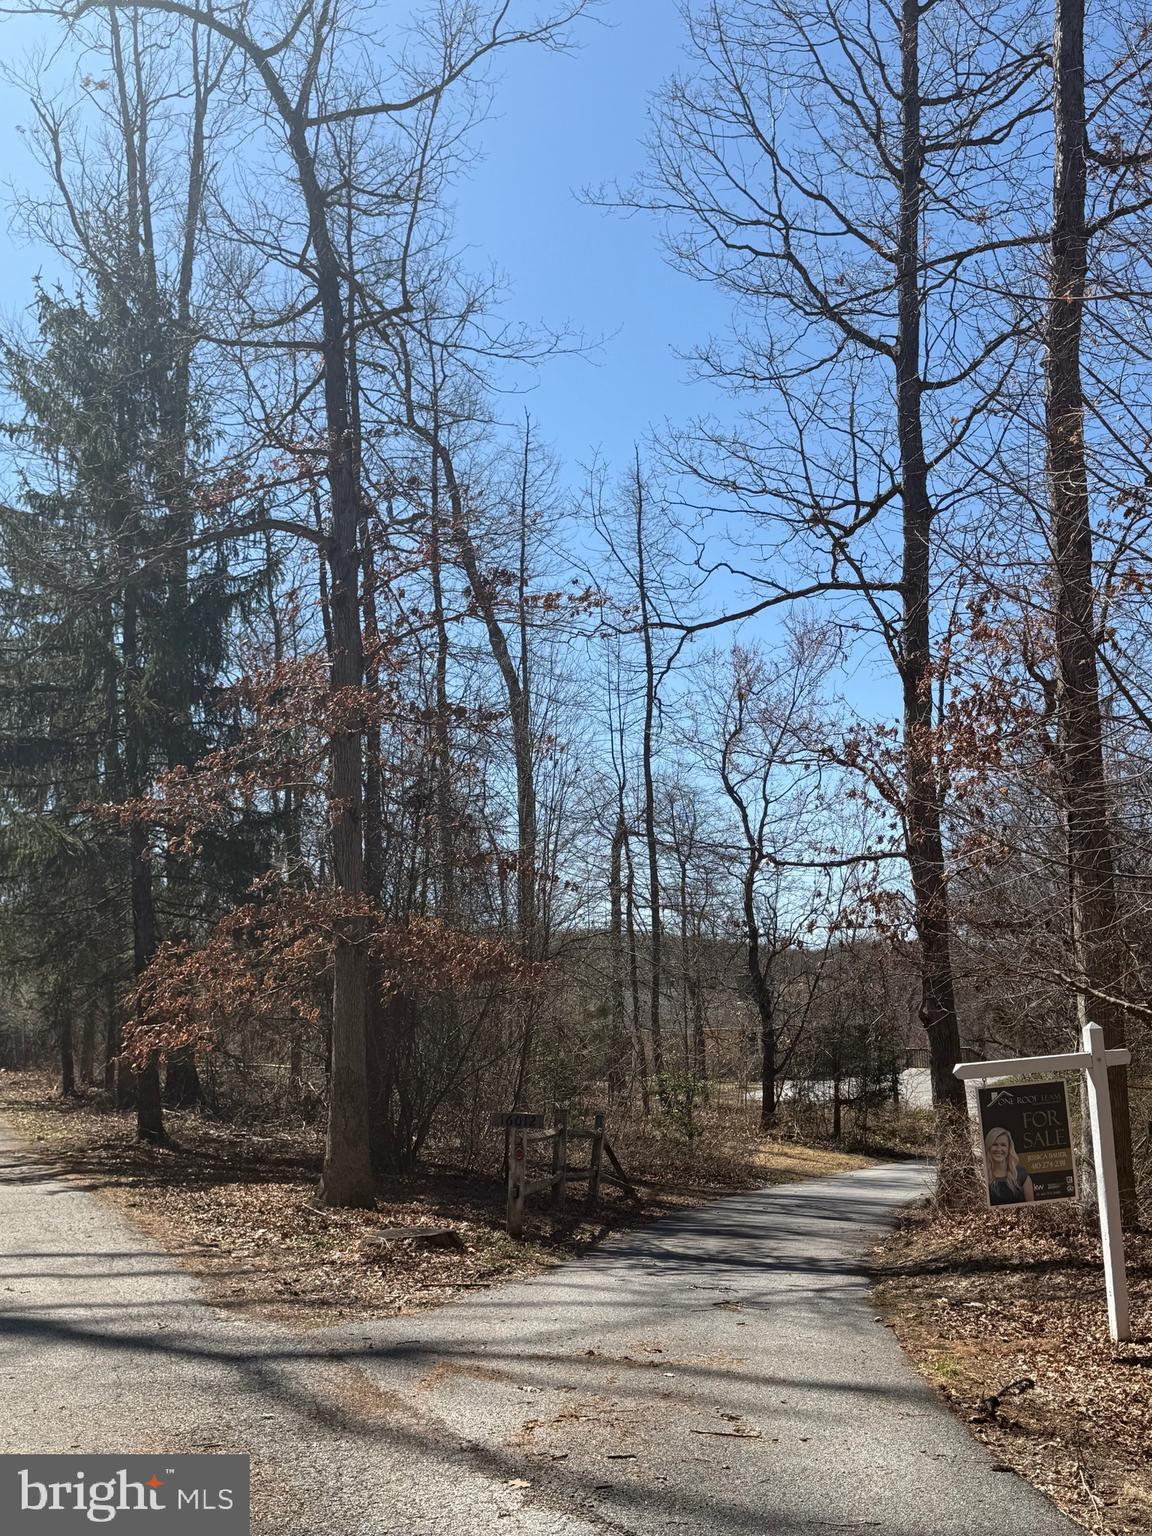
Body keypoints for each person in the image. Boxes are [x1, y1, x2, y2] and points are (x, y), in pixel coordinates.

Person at [983, 1126, 1035, 1205]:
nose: (998, 1149)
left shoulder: (1022, 1174)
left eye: (1003, 1145)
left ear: (1009, 1148)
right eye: (995, 1144)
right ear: (988, 1147)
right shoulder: (982, 1176)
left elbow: (1032, 1206)